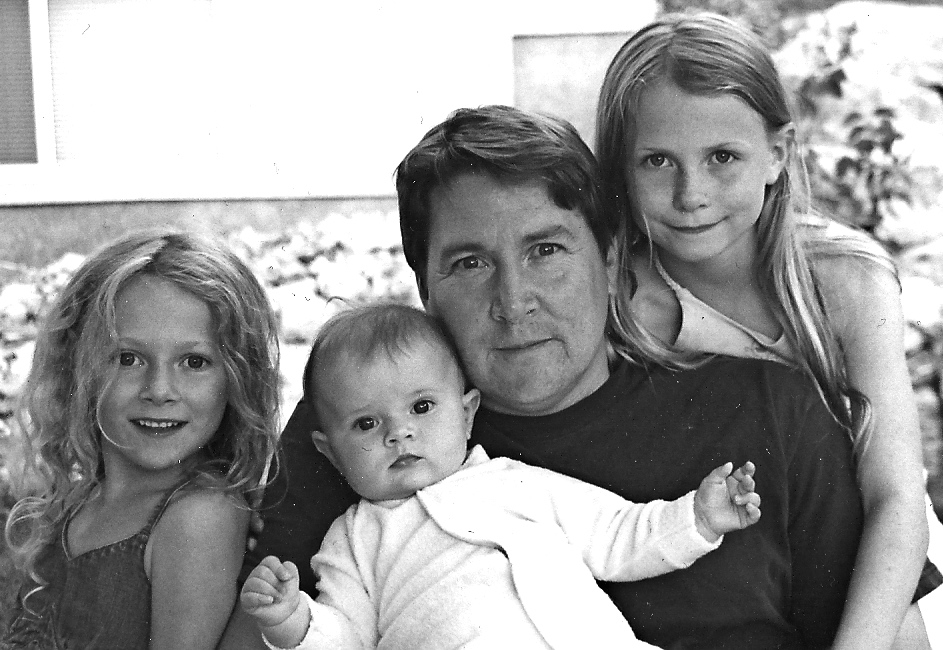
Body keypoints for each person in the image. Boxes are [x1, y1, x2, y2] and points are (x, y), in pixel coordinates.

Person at [221, 104, 864, 649]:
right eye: (471, 264)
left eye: (546, 250)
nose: (513, 302)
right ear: (426, 290)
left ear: (609, 259)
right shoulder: (364, 419)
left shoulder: (769, 411)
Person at [594, 12, 939, 649]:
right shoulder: (621, 300)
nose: (691, 194)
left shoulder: (844, 283)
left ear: (777, 155)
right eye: (657, 161)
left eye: (722, 157)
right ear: (620, 169)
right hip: (718, 549)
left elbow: (895, 499)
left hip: (874, 558)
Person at [240, 302, 762, 649]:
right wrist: (293, 621)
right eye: (367, 424)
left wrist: (697, 518)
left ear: (467, 413)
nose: (399, 434)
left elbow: (617, 533)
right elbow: (346, 638)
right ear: (330, 453)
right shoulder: (353, 539)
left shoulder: (516, 482)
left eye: (421, 406)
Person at [2, 230, 281, 650]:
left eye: (194, 362)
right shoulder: (75, 502)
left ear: (237, 379)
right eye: (128, 358)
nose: (159, 390)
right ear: (77, 365)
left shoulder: (198, 516)